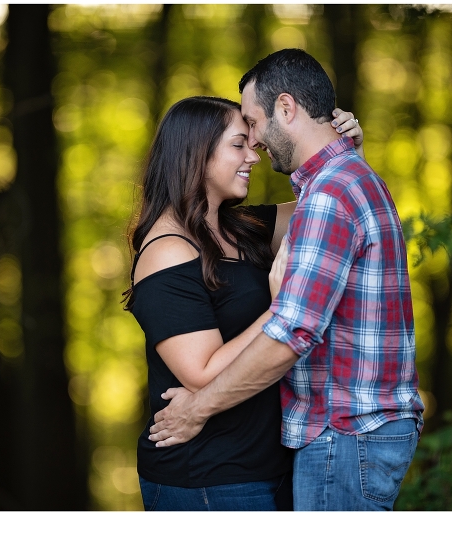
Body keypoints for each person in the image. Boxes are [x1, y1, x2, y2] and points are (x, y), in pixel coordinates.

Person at [148, 49, 425, 511]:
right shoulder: (335, 188)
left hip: (343, 431)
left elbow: (292, 329)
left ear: (286, 108)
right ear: (195, 153)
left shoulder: (326, 195)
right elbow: (325, 208)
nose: (254, 146)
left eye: (252, 127)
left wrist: (198, 408)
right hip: (244, 463)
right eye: (239, 141)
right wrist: (348, 153)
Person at [123, 94, 363, 511]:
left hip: (269, 467)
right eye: (239, 144)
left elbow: (331, 204)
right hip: (208, 480)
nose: (253, 155)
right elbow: (201, 372)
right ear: (196, 153)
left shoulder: (239, 228)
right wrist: (277, 310)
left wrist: (346, 154)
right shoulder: (166, 251)